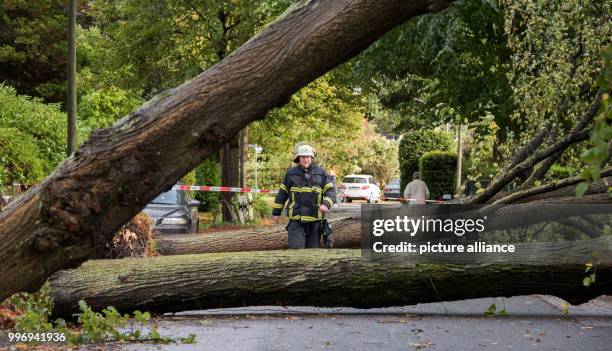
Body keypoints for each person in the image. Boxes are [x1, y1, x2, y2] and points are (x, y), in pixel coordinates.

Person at [272, 142, 336, 248]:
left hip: (315, 219)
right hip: (296, 219)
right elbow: (282, 194)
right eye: (302, 157)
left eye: (307, 157)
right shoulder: (291, 173)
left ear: (312, 157)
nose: (305, 160)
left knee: (312, 252)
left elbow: (331, 191)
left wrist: (326, 204)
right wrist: (276, 212)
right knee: (296, 249)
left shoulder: (321, 173)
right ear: (298, 158)